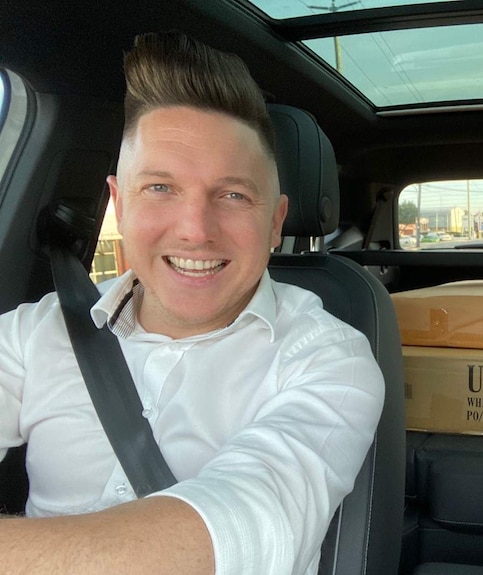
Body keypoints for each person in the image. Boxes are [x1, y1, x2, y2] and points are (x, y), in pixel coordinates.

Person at [0, 31, 385, 574]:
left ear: (275, 220)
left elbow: (240, 532)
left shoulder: (329, 358)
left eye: (232, 195)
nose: (195, 231)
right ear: (118, 203)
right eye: (160, 188)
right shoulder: (32, 334)